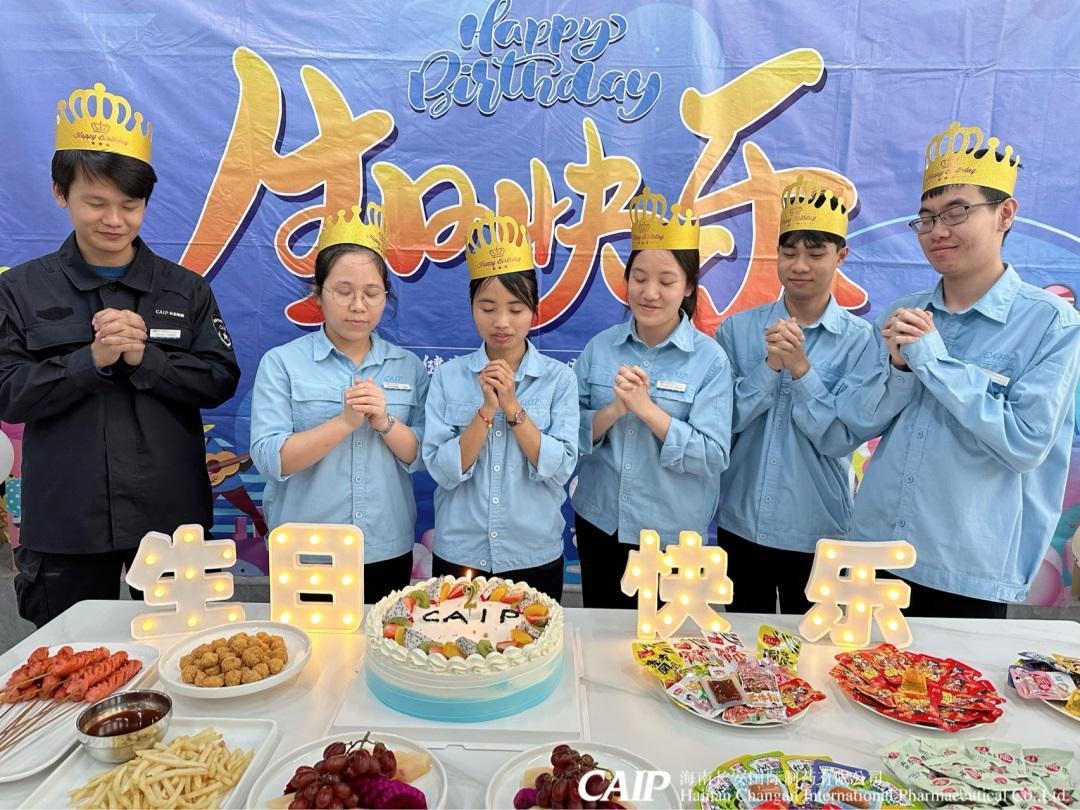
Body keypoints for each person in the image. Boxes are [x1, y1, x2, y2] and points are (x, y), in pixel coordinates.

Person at [0, 82, 240, 627]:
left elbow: (219, 379)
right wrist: (89, 360)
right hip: (67, 524)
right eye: (96, 203)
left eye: (130, 205)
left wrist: (144, 359)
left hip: (170, 522)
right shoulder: (20, 290)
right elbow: (8, 392)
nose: (114, 219)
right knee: (71, 658)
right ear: (60, 193)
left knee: (185, 651)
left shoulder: (186, 290)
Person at [852, 121, 1080, 617]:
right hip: (874, 550)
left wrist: (933, 360)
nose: (938, 231)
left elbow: (1025, 443)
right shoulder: (905, 312)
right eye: (926, 218)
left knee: (957, 672)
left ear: (1005, 214)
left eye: (957, 212)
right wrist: (899, 369)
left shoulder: (1051, 323)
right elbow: (858, 422)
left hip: (966, 569)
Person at [250, 203, 427, 603]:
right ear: (318, 292)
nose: (358, 305)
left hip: (385, 546)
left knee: (384, 641)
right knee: (308, 643)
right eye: (343, 292)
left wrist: (384, 422)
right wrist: (344, 423)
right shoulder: (282, 363)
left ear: (385, 296)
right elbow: (271, 459)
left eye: (371, 293)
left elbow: (422, 455)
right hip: (308, 549)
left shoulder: (408, 367)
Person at [715, 178, 876, 613]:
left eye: (816, 253)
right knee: (742, 641)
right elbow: (723, 424)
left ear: (841, 255)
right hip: (741, 520)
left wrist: (801, 370)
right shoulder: (737, 330)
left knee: (815, 642)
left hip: (818, 529)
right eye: (789, 253)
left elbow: (841, 438)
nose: (800, 265)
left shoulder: (862, 341)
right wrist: (769, 368)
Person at [573, 188, 732, 609]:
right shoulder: (600, 349)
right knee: (600, 634)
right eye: (640, 278)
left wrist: (647, 410)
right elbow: (569, 435)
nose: (650, 292)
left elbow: (713, 455)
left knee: (664, 642)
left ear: (688, 286)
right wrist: (613, 410)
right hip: (601, 524)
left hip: (671, 536)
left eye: (666, 281)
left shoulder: (710, 360)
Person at [422, 213, 578, 601]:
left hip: (533, 553)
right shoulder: (448, 378)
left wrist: (511, 406)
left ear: (534, 309)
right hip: (461, 554)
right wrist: (486, 411)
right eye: (488, 307)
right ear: (471, 306)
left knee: (534, 640)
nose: (502, 322)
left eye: (516, 308)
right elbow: (442, 469)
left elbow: (559, 467)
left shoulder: (559, 380)